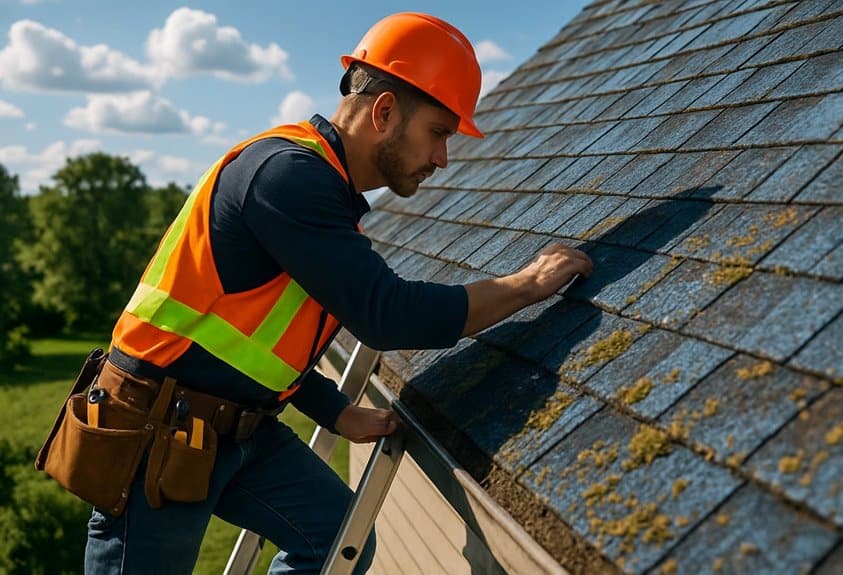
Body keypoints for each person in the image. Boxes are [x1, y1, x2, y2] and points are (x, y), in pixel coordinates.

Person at [82, 11, 593, 574]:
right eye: (439, 133)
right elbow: (387, 314)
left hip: (235, 427)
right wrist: (527, 285)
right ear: (384, 111)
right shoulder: (287, 176)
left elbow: (252, 340)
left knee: (337, 540)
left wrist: (334, 411)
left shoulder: (323, 189)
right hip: (157, 427)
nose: (442, 158)